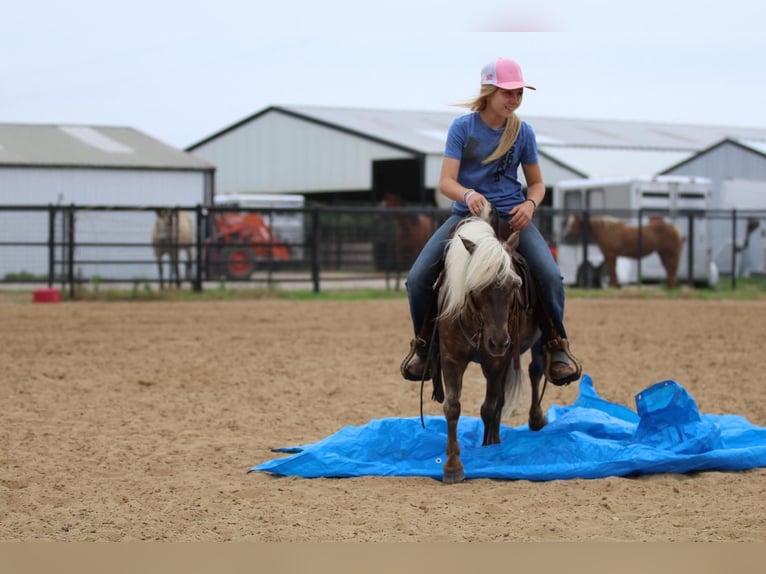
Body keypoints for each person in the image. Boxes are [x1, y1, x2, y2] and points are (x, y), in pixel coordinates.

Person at [400, 57, 582, 386]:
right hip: (466, 217)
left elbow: (538, 184)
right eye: (507, 93)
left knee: (551, 276)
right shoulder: (463, 128)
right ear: (489, 92)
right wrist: (467, 194)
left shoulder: (522, 132)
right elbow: (446, 181)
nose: (513, 100)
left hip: (513, 219)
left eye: (518, 94)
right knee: (417, 279)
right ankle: (424, 347)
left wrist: (530, 204)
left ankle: (556, 346)